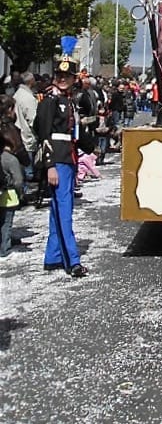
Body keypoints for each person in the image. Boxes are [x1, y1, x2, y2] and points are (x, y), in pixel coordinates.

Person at [34, 54, 88, 278]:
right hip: (58, 160)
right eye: (59, 75)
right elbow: (44, 133)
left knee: (57, 210)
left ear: (74, 78)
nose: (62, 79)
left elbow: (73, 135)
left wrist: (91, 147)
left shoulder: (68, 100)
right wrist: (50, 166)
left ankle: (54, 256)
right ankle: (72, 261)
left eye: (67, 75)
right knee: (65, 211)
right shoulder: (50, 100)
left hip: (68, 158)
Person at [0, 125, 24, 258]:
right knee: (7, 223)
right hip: (10, 196)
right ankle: (5, 247)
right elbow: (18, 181)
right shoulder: (12, 160)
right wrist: (21, 193)